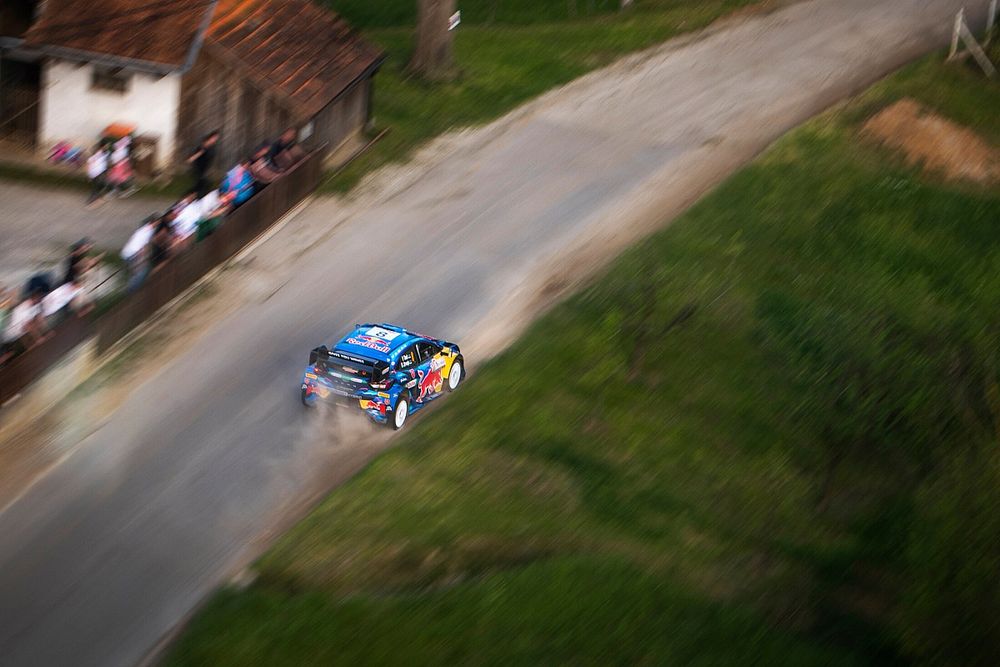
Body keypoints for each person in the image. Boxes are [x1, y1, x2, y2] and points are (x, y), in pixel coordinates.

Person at [121, 216, 156, 290]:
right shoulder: (148, 230)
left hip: (127, 253)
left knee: (136, 273)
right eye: (156, 223)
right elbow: (143, 247)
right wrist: (143, 260)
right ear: (151, 223)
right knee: (141, 271)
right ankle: (132, 290)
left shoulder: (141, 230)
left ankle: (133, 288)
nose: (156, 225)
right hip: (133, 254)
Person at [187, 130, 219, 197]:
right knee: (203, 184)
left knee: (202, 185)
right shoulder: (205, 145)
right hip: (199, 168)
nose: (215, 139)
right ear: (210, 137)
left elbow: (211, 158)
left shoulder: (212, 147)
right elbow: (199, 152)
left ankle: (193, 196)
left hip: (204, 169)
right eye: (214, 138)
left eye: (216, 138)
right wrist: (192, 158)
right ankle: (190, 197)